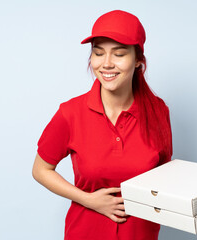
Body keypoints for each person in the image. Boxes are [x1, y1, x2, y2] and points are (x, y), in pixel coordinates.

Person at [32, 10, 172, 240]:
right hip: (85, 233)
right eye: (98, 53)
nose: (106, 64)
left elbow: (164, 175)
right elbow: (40, 169)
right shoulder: (70, 113)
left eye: (118, 54)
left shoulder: (158, 111)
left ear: (138, 60)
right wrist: (88, 199)